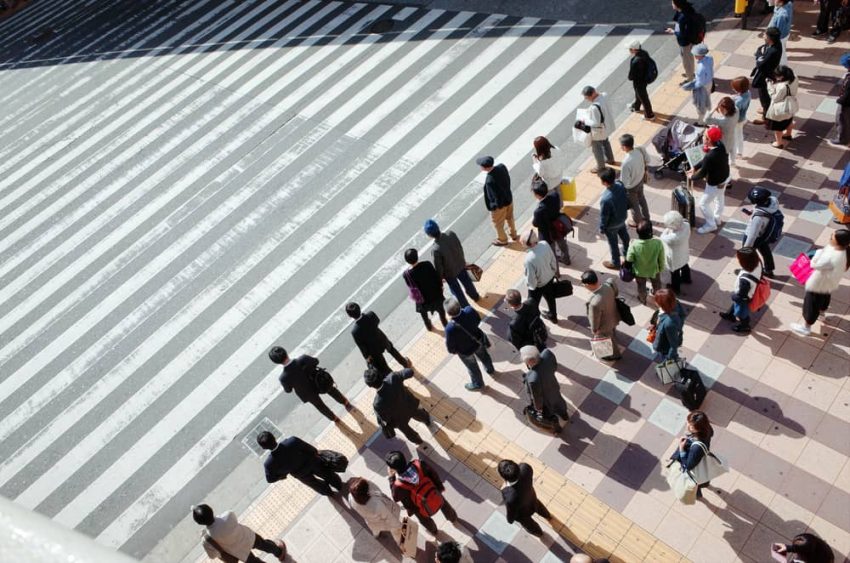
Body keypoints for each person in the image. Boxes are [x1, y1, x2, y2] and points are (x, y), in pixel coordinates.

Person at [790, 229, 850, 336]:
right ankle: (822, 314)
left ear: (839, 242)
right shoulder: (846, 251)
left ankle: (806, 327)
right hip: (830, 281)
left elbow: (814, 264)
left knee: (811, 304)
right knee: (825, 298)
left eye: (832, 237)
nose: (830, 238)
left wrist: (818, 254)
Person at [269, 347, 350, 423]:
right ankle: (345, 403)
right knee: (332, 391)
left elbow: (288, 390)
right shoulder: (303, 359)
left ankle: (334, 418)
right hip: (319, 380)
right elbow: (316, 361)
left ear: (276, 362)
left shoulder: (283, 378)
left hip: (308, 393)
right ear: (286, 352)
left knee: (320, 406)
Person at [386, 450, 457, 535]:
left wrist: (391, 478)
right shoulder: (420, 464)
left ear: (393, 469)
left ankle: (434, 531)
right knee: (444, 504)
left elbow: (395, 497)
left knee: (424, 519)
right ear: (404, 459)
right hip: (434, 493)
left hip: (417, 507)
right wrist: (439, 488)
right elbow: (434, 474)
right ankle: (452, 518)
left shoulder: (398, 486)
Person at [193, 504, 286, 563]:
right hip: (249, 537)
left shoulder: (206, 540)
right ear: (211, 510)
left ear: (199, 523)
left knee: (254, 562)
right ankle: (279, 552)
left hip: (239, 553)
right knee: (264, 545)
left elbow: (212, 556)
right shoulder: (228, 515)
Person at [257, 432, 343, 496]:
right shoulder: (292, 441)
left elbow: (270, 479)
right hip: (313, 462)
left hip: (300, 473)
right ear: (274, 437)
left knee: (316, 485)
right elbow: (311, 449)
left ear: (263, 448)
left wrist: (283, 475)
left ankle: (329, 493)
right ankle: (339, 485)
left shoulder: (269, 463)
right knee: (328, 475)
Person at [364, 366, 432, 445]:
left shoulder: (377, 404)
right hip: (410, 404)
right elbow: (410, 372)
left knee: (408, 432)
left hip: (399, 420)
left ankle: (418, 441)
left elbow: (385, 419)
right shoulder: (393, 377)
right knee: (420, 414)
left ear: (370, 385)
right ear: (380, 374)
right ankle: (427, 421)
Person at [424, 219, 480, 307]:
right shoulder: (451, 234)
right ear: (438, 227)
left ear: (429, 235)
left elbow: (439, 267)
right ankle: (475, 296)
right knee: (467, 282)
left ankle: (465, 306)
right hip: (460, 265)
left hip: (450, 273)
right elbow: (459, 247)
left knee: (457, 290)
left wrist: (440, 278)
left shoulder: (435, 249)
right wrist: (463, 260)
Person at [346, 302, 411, 376]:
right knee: (392, 350)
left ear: (349, 315)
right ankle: (405, 363)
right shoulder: (370, 314)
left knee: (384, 367)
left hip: (373, 350)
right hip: (381, 338)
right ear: (359, 308)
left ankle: (395, 380)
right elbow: (377, 321)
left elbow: (361, 346)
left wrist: (366, 356)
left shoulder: (355, 331)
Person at [444, 297, 495, 391]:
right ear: (459, 306)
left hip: (465, 351)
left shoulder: (450, 328)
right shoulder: (469, 310)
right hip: (478, 341)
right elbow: (478, 320)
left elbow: (450, 346)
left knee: (472, 367)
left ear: (448, 313)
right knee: (484, 356)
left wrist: (455, 351)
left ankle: (478, 383)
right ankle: (490, 369)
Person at [689, 125, 730, 234]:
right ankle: (717, 218)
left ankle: (711, 224)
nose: (702, 136)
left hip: (714, 183)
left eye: (704, 135)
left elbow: (702, 173)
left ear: (709, 140)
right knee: (719, 198)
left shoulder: (710, 156)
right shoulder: (720, 146)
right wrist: (695, 167)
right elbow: (705, 162)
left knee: (703, 204)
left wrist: (691, 176)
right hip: (724, 178)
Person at [520, 345, 569, 431]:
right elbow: (554, 366)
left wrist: (538, 408)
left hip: (546, 398)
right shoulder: (547, 354)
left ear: (530, 362)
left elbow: (536, 397)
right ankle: (564, 415)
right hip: (554, 386)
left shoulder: (532, 378)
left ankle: (556, 426)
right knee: (559, 401)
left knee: (549, 411)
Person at [498, 459, 552, 537]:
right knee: (540, 508)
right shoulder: (526, 468)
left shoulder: (508, 495)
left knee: (530, 526)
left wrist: (510, 520)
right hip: (532, 499)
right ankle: (548, 516)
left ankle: (539, 533)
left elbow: (511, 514)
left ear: (504, 477)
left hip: (523, 514)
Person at [669, 410, 715, 499]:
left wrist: (682, 448)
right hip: (702, 459)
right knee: (702, 478)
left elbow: (688, 465)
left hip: (695, 467)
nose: (688, 427)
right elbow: (711, 434)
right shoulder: (708, 428)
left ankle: (697, 495)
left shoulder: (696, 448)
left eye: (692, 427)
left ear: (700, 429)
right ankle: (705, 484)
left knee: (694, 483)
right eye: (688, 423)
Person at [719, 247, 763, 333]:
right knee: (736, 305)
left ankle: (745, 326)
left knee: (742, 312)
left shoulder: (745, 280)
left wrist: (733, 296)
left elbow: (741, 296)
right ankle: (730, 315)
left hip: (744, 297)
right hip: (750, 291)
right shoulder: (758, 262)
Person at [477, 155, 518, 246]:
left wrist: (495, 207)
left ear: (484, 167)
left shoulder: (490, 180)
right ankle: (513, 234)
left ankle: (502, 239)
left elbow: (493, 197)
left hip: (500, 206)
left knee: (498, 224)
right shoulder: (501, 167)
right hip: (508, 199)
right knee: (510, 217)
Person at [531, 174, 571, 265]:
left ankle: (556, 272)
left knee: (551, 253)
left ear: (537, 195)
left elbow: (535, 223)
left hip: (547, 233)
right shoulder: (554, 195)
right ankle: (566, 259)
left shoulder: (538, 211)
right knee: (562, 244)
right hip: (558, 226)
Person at [582, 269, 622, 361]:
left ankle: (615, 355)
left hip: (604, 326)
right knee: (612, 330)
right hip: (615, 315)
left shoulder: (594, 303)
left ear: (588, 285)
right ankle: (614, 333)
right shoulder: (609, 283)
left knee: (608, 338)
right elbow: (616, 293)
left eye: (584, 284)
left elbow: (594, 320)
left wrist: (594, 330)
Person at [404, 248, 447, 331]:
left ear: (407, 261)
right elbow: (436, 277)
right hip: (435, 295)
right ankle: (444, 322)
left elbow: (410, 286)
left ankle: (428, 326)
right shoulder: (427, 264)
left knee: (424, 314)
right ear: (417, 256)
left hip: (422, 300)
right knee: (441, 311)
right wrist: (441, 286)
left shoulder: (407, 274)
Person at [574, 85, 616, 173]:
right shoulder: (604, 95)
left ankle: (600, 166)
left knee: (596, 148)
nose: (586, 99)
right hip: (609, 124)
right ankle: (610, 159)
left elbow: (595, 123)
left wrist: (585, 121)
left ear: (592, 95)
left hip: (600, 130)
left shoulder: (594, 107)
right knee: (606, 142)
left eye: (587, 97)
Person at [742, 186, 780, 277]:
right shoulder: (773, 200)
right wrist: (753, 211)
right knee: (765, 251)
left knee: (750, 255)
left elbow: (752, 236)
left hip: (756, 236)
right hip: (764, 233)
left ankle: (751, 270)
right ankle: (769, 269)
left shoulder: (758, 219)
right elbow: (762, 208)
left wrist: (746, 250)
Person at [522, 230, 559, 323]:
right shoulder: (545, 244)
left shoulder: (529, 259)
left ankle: (535, 321)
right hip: (550, 278)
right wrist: (554, 272)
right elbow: (553, 260)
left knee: (532, 305)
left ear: (528, 244)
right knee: (550, 298)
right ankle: (553, 316)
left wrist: (531, 287)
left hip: (539, 285)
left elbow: (531, 279)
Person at [625, 220, 666, 305]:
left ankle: (642, 298)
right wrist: (661, 268)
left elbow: (628, 260)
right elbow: (661, 258)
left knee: (641, 286)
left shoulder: (634, 244)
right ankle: (658, 297)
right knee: (657, 285)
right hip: (654, 270)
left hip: (639, 272)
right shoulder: (657, 243)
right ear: (651, 232)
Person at [597, 167, 630, 270]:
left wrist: (602, 228)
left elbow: (604, 217)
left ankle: (615, 262)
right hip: (622, 218)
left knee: (613, 244)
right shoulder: (620, 185)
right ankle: (627, 254)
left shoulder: (605, 199)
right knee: (625, 237)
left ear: (604, 182)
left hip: (611, 226)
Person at [665, 0, 704, 84]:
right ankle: (690, 73)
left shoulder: (683, 17)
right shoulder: (687, 10)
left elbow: (683, 34)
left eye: (673, 3)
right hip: (691, 39)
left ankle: (690, 78)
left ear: (678, 5)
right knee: (689, 58)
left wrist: (673, 32)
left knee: (687, 61)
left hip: (685, 42)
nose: (671, 4)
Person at [751, 27, 783, 122]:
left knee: (764, 95)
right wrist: (760, 54)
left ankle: (766, 116)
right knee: (764, 95)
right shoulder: (775, 44)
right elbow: (760, 49)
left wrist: (758, 56)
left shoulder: (773, 51)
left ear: (769, 38)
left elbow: (760, 64)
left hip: (765, 76)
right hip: (768, 72)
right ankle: (765, 108)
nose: (763, 36)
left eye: (765, 35)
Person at [619, 133, 651, 226]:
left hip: (631, 187)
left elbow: (624, 182)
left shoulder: (626, 162)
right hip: (640, 180)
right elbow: (648, 160)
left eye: (621, 146)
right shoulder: (639, 150)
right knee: (642, 199)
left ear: (624, 147)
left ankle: (638, 222)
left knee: (634, 204)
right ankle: (647, 217)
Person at [765, 65, 799, 148]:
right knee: (789, 120)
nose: (776, 77)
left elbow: (775, 98)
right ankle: (788, 134)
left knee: (778, 127)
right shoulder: (794, 77)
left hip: (780, 109)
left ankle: (779, 143)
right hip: (790, 104)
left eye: (777, 76)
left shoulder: (781, 86)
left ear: (782, 76)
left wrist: (769, 85)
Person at [660, 210, 692, 295]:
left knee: (675, 273)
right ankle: (687, 279)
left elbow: (662, 237)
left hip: (674, 258)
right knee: (685, 265)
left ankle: (675, 288)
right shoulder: (687, 225)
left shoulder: (671, 238)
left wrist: (667, 230)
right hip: (684, 253)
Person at [681, 44, 714, 126]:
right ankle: (704, 116)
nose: (695, 56)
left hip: (702, 87)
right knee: (706, 99)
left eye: (696, 54)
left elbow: (699, 83)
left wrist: (689, 86)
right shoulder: (710, 58)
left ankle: (701, 121)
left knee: (700, 104)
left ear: (699, 55)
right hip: (709, 82)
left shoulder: (700, 68)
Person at [652, 289, 687, 361]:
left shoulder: (669, 324)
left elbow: (673, 345)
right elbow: (683, 315)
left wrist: (668, 359)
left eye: (657, 301)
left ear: (663, 304)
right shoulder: (675, 303)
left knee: (666, 360)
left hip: (665, 347)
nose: (655, 302)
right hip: (667, 337)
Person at [531, 135, 566, 206]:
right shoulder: (556, 149)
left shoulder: (542, 161)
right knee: (559, 192)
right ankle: (561, 205)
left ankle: (555, 210)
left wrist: (535, 161)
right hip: (559, 177)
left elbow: (540, 173)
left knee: (551, 198)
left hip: (549, 183)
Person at [627, 40, 656, 120]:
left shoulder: (635, 61)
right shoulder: (644, 53)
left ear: (634, 49)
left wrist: (630, 77)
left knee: (644, 97)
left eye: (630, 49)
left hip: (639, 82)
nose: (629, 50)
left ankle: (649, 115)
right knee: (639, 94)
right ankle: (636, 107)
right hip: (645, 79)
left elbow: (631, 76)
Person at [706, 96, 738, 165]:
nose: (720, 110)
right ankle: (733, 162)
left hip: (724, 140)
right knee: (732, 148)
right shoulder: (736, 111)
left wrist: (713, 109)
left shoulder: (723, 121)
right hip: (732, 135)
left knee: (725, 153)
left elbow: (706, 120)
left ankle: (726, 164)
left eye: (721, 109)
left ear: (725, 109)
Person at [731, 76, 751, 161]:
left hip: (736, 120)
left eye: (734, 88)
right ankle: (740, 153)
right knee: (740, 135)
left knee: (734, 138)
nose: (733, 89)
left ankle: (734, 155)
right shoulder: (748, 93)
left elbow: (734, 111)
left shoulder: (739, 102)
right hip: (742, 118)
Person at [832, 52, 850, 146]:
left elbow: (847, 93)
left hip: (846, 103)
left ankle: (842, 139)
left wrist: (840, 100)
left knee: (841, 119)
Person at [768, 0, 793, 65]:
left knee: (781, 55)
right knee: (782, 52)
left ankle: (784, 69)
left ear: (781, 2)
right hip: (785, 34)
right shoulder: (788, 4)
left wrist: (772, 39)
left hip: (780, 38)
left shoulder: (781, 16)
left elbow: (778, 31)